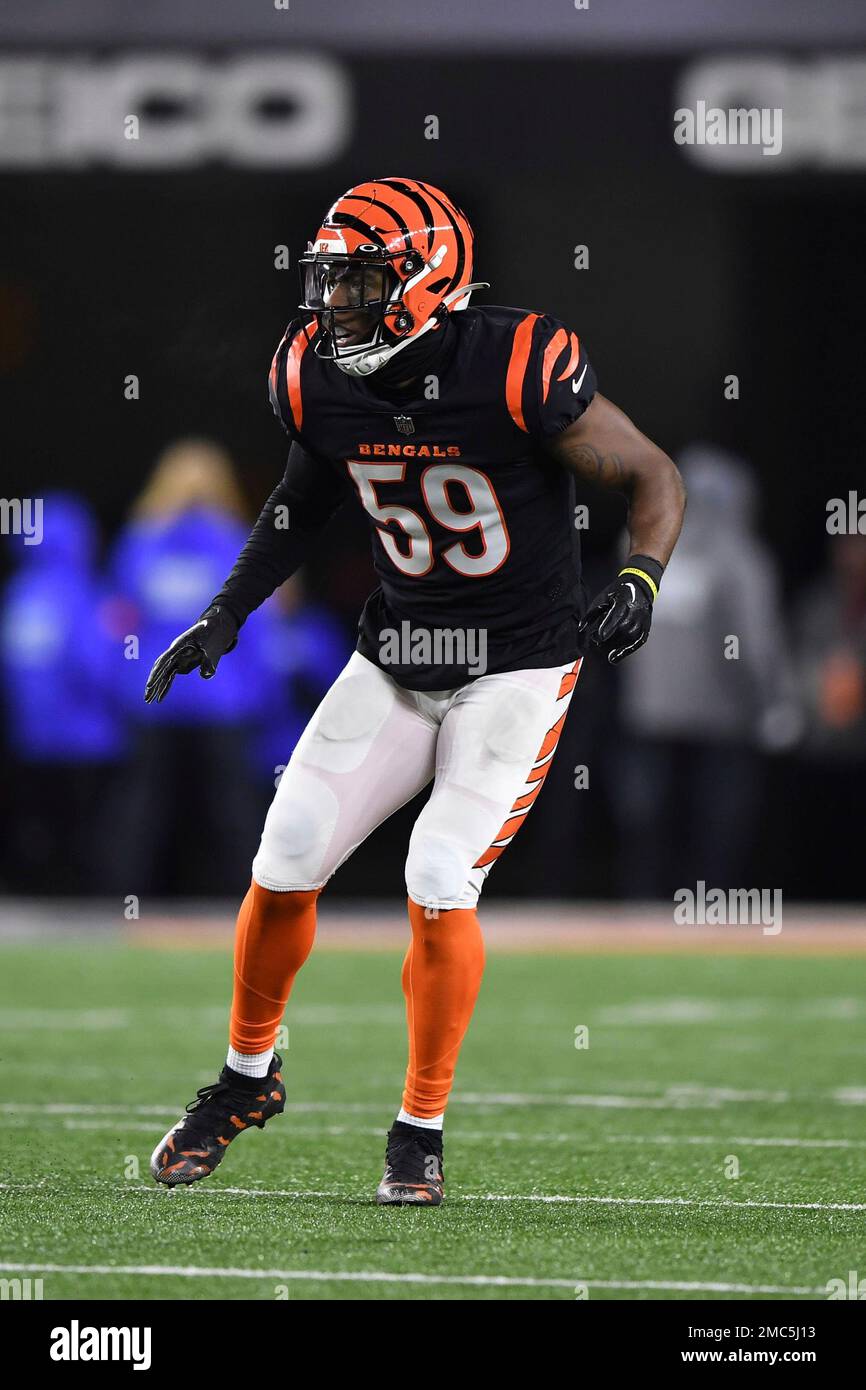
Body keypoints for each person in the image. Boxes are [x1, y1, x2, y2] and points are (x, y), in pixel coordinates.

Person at [144, 178, 686, 1204]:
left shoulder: (512, 363)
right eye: (330, 277)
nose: (334, 300)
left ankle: (416, 1131)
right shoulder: (313, 372)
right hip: (395, 655)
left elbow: (652, 475)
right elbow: (304, 502)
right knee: (286, 849)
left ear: (427, 279)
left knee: (439, 873)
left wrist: (637, 577)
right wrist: (228, 611)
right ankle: (245, 1080)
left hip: (514, 664)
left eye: (358, 278)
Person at [107, 439, 276, 893]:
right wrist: (260, 693)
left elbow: (118, 622)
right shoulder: (239, 542)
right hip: (223, 697)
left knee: (143, 803)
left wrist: (122, 689)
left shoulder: (139, 543)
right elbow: (259, 625)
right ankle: (251, 900)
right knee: (231, 807)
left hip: (154, 698)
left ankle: (120, 902)